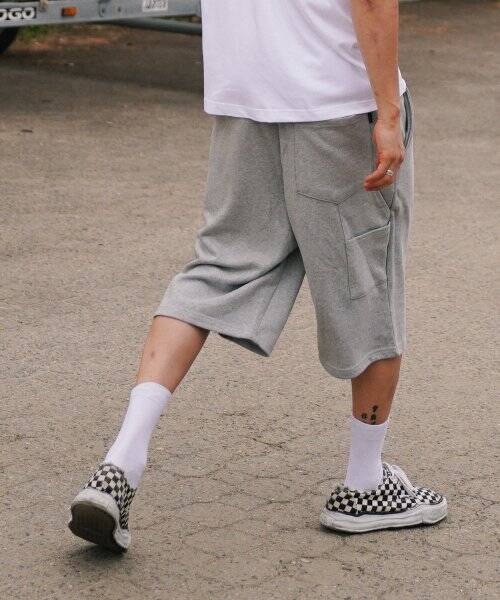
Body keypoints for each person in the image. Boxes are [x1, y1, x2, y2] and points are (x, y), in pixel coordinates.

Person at [68, 0, 447, 552]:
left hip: (245, 100)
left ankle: (120, 462)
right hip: (336, 103)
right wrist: (388, 113)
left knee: (215, 270)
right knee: (368, 283)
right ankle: (365, 482)